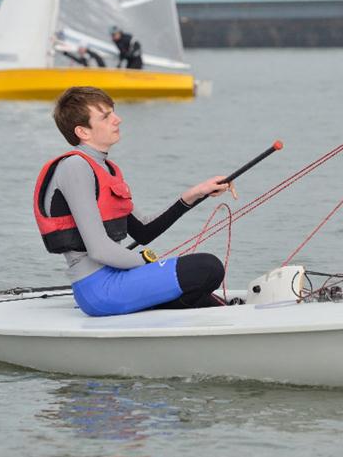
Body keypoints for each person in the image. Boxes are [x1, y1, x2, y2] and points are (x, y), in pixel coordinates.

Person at [34, 86, 232, 317]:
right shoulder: (75, 167)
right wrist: (147, 264)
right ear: (83, 131)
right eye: (106, 116)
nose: (118, 119)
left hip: (120, 279)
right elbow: (99, 251)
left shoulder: (105, 169)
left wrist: (196, 193)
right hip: (99, 289)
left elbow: (144, 230)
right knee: (207, 267)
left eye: (113, 112)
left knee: (208, 292)